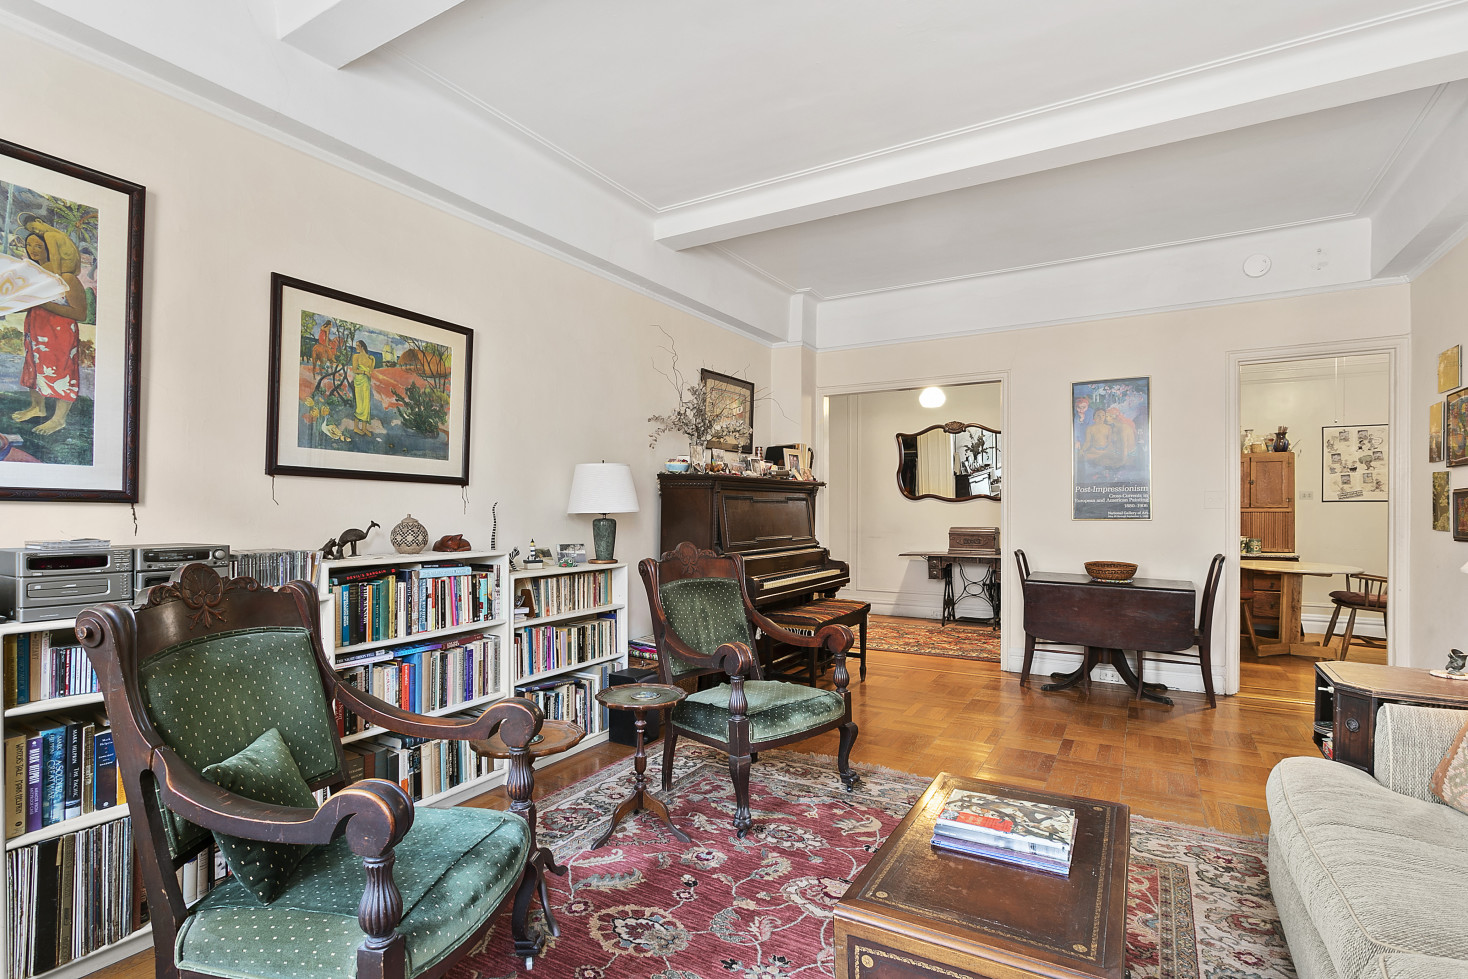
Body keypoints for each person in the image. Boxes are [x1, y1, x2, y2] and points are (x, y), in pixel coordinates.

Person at [12, 230, 87, 436]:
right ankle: (37, 407)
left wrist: (43, 303)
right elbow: (27, 303)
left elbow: (80, 313)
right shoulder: (35, 275)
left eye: (39, 246)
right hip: (35, 329)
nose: (33, 250)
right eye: (29, 245)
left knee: (61, 371)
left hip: (60, 333)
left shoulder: (67, 277)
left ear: (52, 249)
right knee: (33, 368)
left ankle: (59, 419)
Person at [350, 339, 375, 435]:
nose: (356, 347)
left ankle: (364, 428)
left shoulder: (370, 358)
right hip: (359, 382)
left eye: (357, 345)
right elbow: (354, 370)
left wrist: (373, 361)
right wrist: (364, 372)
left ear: (362, 347)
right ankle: (356, 427)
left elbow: (371, 370)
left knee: (366, 405)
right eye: (356, 345)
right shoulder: (356, 356)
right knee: (360, 405)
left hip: (366, 382)